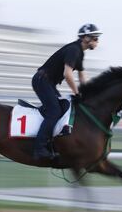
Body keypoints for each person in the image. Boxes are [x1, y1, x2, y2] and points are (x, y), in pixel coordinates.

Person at [31, 23, 102, 159]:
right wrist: (76, 93)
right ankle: (39, 149)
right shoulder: (74, 50)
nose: (97, 41)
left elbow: (82, 76)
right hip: (42, 80)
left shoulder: (79, 52)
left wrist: (87, 94)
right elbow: (67, 74)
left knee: (62, 108)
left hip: (48, 83)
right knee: (55, 111)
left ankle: (50, 142)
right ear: (86, 38)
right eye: (95, 38)